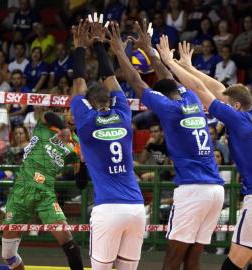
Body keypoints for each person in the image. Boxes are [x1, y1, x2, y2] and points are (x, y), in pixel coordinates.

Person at [157, 36, 252, 270]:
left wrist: (171, 63)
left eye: (229, 104)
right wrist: (189, 67)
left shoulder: (238, 119)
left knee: (231, 267)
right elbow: (221, 90)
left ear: (236, 106)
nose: (225, 104)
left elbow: (199, 90)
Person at [114, 20, 224, 270]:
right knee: (192, 259)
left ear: (161, 97)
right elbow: (167, 77)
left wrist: (120, 50)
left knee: (172, 260)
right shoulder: (192, 98)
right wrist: (149, 50)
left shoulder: (169, 108)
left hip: (193, 189)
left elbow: (136, 82)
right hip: (215, 190)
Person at [71, 18, 145, 270]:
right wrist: (99, 45)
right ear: (112, 100)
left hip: (108, 208)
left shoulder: (85, 121)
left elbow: (79, 84)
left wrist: (80, 47)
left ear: (90, 103)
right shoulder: (124, 114)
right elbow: (111, 77)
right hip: (136, 208)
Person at [1, 105, 84, 270]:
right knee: (8, 255)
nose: (74, 115)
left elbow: (81, 183)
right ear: (65, 112)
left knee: (66, 237)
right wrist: (64, 129)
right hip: (22, 188)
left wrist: (83, 161)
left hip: (46, 192)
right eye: (71, 111)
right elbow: (48, 114)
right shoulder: (49, 123)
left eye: (78, 112)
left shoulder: (77, 144)